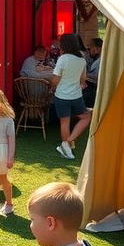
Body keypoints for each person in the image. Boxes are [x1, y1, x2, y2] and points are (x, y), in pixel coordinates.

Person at [52, 33, 91, 161]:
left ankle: (66, 145)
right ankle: (69, 141)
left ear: (64, 45)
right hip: (76, 95)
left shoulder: (63, 59)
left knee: (65, 122)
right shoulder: (82, 59)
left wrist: (51, 86)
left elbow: (56, 79)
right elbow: (83, 78)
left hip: (61, 95)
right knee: (85, 117)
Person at [83, 38, 103, 108]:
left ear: (96, 48)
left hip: (93, 90)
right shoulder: (99, 60)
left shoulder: (99, 62)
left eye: (90, 48)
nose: (89, 51)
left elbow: (94, 77)